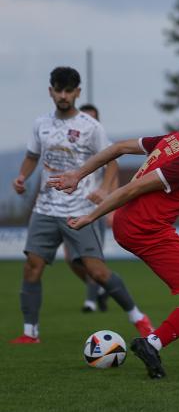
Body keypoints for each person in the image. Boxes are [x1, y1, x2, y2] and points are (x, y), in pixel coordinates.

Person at [49, 91, 179, 379]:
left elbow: (118, 148)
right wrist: (92, 216)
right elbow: (133, 188)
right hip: (146, 230)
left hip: (144, 225)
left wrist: (78, 174)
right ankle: (152, 343)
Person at [10, 67, 153, 344]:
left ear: (77, 92)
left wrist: (104, 189)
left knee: (97, 272)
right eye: (58, 90)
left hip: (80, 210)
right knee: (32, 266)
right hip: (45, 208)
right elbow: (32, 156)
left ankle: (138, 317)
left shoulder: (91, 127)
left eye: (68, 91)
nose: (63, 96)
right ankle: (30, 332)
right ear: (50, 91)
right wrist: (22, 177)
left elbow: (112, 161)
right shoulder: (41, 124)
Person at [64, 104, 114, 313]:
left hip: (93, 210)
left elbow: (113, 171)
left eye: (92, 118)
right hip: (68, 208)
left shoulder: (105, 146)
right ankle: (101, 289)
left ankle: (90, 302)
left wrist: (109, 200)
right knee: (71, 259)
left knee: (91, 258)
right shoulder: (68, 144)